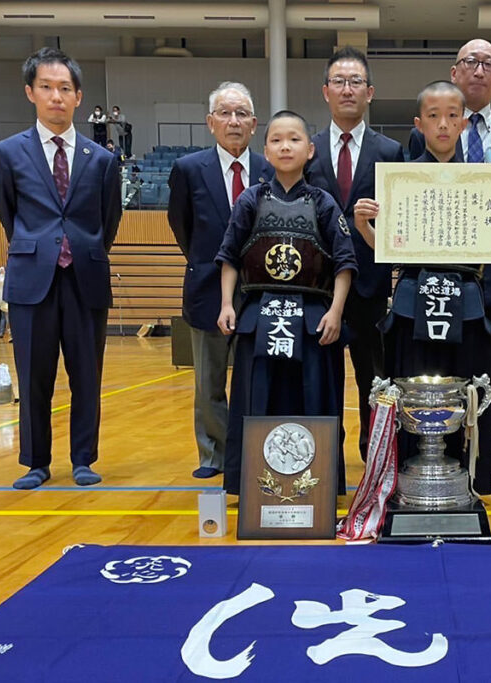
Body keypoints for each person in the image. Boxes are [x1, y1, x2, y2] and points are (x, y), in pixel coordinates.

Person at [355, 81, 491, 497]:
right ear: (419, 124)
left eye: (452, 115)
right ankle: (405, 480)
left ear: (464, 122)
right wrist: (365, 226)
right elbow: (388, 251)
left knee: (469, 390)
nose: (443, 124)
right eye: (433, 116)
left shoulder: (483, 180)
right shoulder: (401, 179)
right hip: (412, 297)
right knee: (408, 389)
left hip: (468, 298)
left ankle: (466, 480)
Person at [0, 48, 123, 489]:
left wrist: (81, 248)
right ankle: (36, 462)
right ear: (30, 93)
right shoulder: (8, 153)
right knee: (33, 376)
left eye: (65, 88)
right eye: (46, 87)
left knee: (87, 374)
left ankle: (84, 458)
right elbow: (8, 214)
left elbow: (109, 220)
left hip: (85, 276)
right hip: (32, 279)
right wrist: (39, 248)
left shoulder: (101, 160)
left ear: (79, 97)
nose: (56, 96)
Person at [409, 39, 491, 478]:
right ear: (455, 72)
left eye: (489, 65)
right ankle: (436, 443)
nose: (479, 70)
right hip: (441, 273)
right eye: (470, 63)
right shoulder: (425, 132)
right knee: (440, 363)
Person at [215, 110, 357, 496]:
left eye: (294, 139)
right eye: (276, 139)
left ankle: (317, 485)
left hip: (312, 318)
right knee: (255, 401)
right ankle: (255, 486)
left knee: (313, 401)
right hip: (259, 316)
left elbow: (345, 263)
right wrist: (228, 305)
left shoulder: (323, 202)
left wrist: (335, 311)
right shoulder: (251, 199)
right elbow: (229, 256)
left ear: (310, 150)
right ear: (265, 150)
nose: (285, 146)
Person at [168, 81, 273, 479]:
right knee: (209, 382)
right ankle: (213, 455)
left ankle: (252, 455)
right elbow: (182, 226)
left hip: (261, 292)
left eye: (242, 114)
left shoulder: (269, 169)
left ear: (254, 123)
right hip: (207, 290)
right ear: (210, 122)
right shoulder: (189, 169)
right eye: (225, 114)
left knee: (255, 377)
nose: (234, 121)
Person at [304, 46, 403, 463]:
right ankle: (326, 459)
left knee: (373, 379)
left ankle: (373, 457)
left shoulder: (391, 151)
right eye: (339, 82)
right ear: (326, 91)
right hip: (319, 287)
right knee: (321, 378)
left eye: (356, 82)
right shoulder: (305, 149)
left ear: (370, 92)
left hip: (370, 285)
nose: (348, 89)